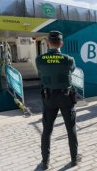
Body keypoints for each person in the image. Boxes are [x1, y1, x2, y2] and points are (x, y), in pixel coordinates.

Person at [36, 31, 81, 170]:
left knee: (47, 131)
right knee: (71, 129)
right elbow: (71, 70)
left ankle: (45, 161)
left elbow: (41, 72)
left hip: (49, 98)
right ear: (61, 43)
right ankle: (74, 159)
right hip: (66, 97)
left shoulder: (40, 59)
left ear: (48, 43)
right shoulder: (68, 59)